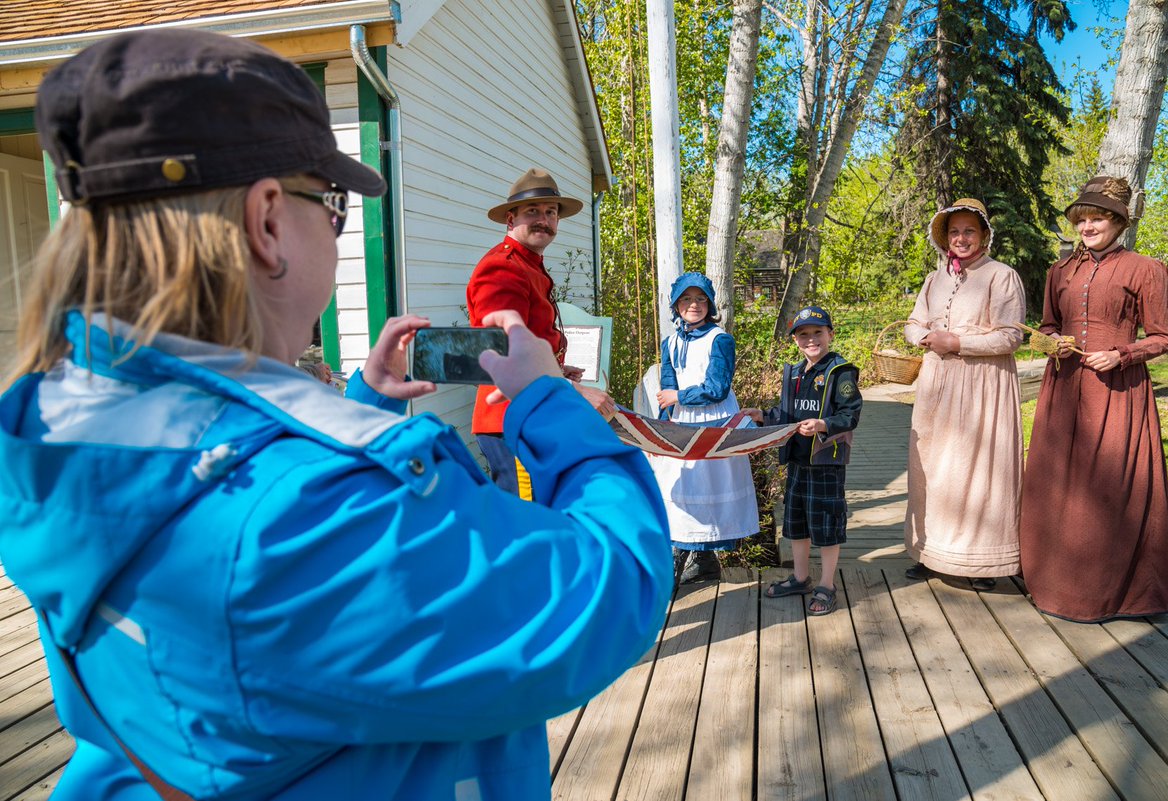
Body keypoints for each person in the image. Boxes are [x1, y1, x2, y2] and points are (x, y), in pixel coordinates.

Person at [0, 29, 673, 800]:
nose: (336, 226)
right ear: (266, 222)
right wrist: (549, 403)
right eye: (334, 204)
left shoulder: (58, 432)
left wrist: (357, 409)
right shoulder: (307, 518)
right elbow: (609, 585)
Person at [1020, 176, 1168, 622]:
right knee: (1060, 481)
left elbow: (1163, 338)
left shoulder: (1147, 269)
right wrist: (1052, 343)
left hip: (1118, 391)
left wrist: (1123, 354)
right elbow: (1048, 324)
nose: (1087, 226)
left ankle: (1119, 594)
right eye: (1082, 219)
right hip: (1063, 389)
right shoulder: (1060, 270)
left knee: (1112, 485)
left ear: (1118, 222)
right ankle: (1055, 585)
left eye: (1098, 218)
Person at [466, 168, 615, 499]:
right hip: (513, 419)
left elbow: (527, 343)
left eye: (551, 212)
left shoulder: (528, 264)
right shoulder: (503, 268)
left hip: (532, 414)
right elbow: (502, 352)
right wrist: (571, 389)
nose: (544, 220)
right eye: (533, 211)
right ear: (510, 219)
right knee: (528, 528)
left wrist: (558, 371)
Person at [903, 198, 1026, 592]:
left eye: (969, 231)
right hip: (937, 384)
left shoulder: (1001, 275)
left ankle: (981, 561)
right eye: (954, 231)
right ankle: (931, 552)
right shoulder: (933, 278)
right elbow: (913, 321)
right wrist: (922, 336)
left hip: (981, 385)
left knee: (976, 471)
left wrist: (956, 341)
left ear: (985, 235)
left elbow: (1011, 335)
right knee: (931, 468)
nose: (961, 238)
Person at [745, 306, 862, 615]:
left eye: (818, 333)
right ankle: (800, 577)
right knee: (796, 523)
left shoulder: (841, 371)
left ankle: (827, 584)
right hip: (796, 460)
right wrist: (762, 416)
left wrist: (823, 425)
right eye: (803, 334)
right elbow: (786, 415)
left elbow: (850, 414)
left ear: (831, 335)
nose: (811, 340)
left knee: (826, 523)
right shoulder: (794, 373)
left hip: (826, 461)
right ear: (795, 340)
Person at [649, 273, 759, 584]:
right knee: (681, 489)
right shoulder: (670, 342)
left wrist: (679, 397)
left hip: (715, 421)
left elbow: (717, 388)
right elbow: (667, 387)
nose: (693, 305)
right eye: (686, 299)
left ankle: (691, 559)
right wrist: (662, 430)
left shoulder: (719, 339)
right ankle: (700, 561)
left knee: (706, 489)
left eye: (700, 299)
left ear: (709, 304)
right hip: (682, 423)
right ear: (676, 305)